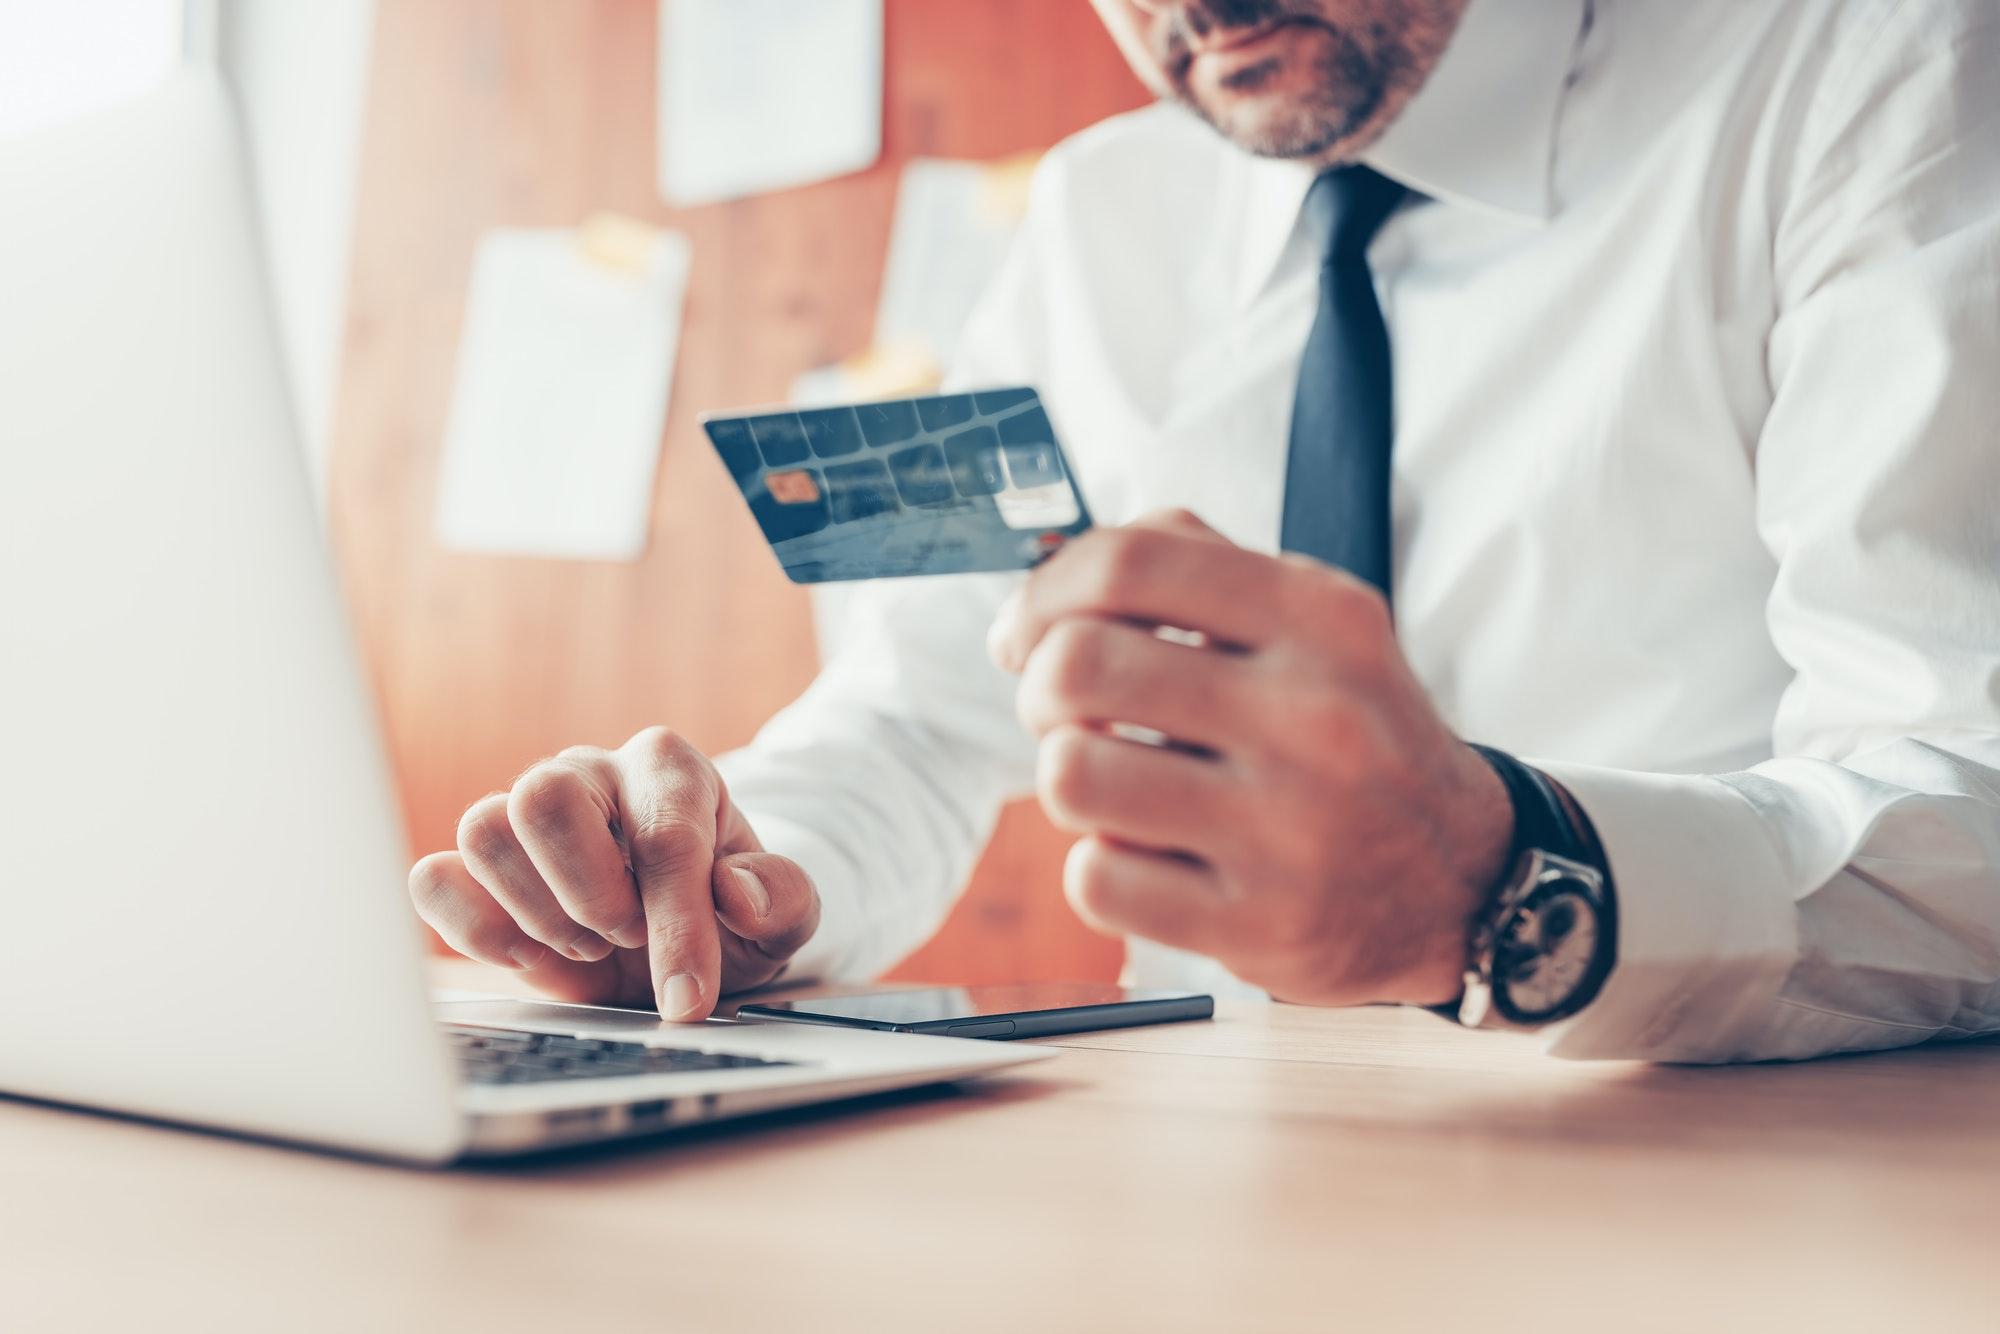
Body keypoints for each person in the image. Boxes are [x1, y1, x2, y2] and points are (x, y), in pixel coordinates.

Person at [409, 0, 2000, 1062]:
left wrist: (1504, 883)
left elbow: (1967, 808)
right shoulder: (1089, 214)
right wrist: (730, 883)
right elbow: (907, 709)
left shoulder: (1884, 72)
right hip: (1204, 1169)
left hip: (1719, 1180)